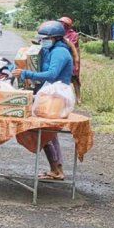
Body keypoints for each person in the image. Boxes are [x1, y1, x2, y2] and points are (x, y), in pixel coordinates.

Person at [13, 20, 73, 181]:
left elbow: (52, 74)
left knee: (45, 132)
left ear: (55, 38)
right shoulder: (50, 49)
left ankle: (57, 169)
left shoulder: (60, 52)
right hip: (48, 95)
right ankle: (56, 169)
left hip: (56, 97)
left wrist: (26, 74)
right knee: (49, 134)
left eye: (44, 39)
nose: (42, 41)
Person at [58, 16, 81, 104]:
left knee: (75, 78)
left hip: (72, 59)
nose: (60, 24)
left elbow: (71, 45)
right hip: (62, 57)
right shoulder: (59, 33)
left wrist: (64, 39)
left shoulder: (73, 34)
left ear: (66, 25)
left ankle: (78, 98)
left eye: (61, 23)